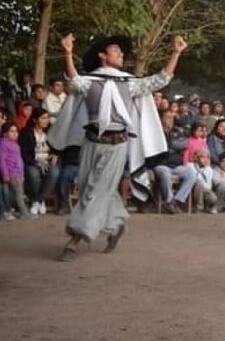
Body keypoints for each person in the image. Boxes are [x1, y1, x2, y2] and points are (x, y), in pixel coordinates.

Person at [50, 33, 187, 262]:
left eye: (121, 51)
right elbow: (73, 81)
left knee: (96, 189)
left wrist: (176, 53)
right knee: (88, 187)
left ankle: (75, 239)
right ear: (102, 56)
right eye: (116, 50)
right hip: (91, 142)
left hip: (116, 144)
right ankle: (116, 224)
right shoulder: (90, 81)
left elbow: (160, 79)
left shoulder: (129, 83)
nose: (121, 54)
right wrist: (67, 52)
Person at [20, 108, 60, 216]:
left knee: (55, 172)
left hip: (47, 162)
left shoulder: (50, 132)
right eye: (43, 118)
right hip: (32, 162)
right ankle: (40, 201)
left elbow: (56, 148)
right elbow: (24, 153)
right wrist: (35, 163)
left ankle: (37, 201)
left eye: (47, 118)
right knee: (33, 174)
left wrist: (55, 155)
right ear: (35, 120)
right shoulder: (26, 132)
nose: (46, 121)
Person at [1, 123, 31, 220]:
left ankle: (15, 210)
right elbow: (2, 161)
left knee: (18, 193)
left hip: (18, 173)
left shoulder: (15, 144)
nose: (15, 134)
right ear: (5, 134)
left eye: (16, 131)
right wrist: (5, 174)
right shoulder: (3, 144)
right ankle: (23, 212)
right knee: (19, 194)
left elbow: (19, 160)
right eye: (12, 131)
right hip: (12, 173)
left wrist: (22, 174)